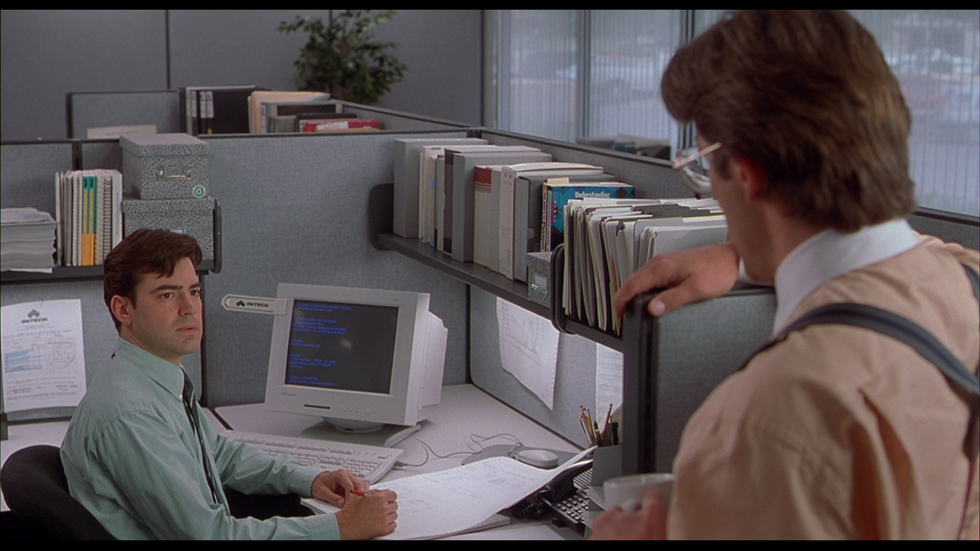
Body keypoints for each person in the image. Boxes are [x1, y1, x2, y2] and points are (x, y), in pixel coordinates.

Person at [593, 10, 979, 539]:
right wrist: (744, 257)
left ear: (746, 173)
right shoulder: (964, 283)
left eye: (703, 163)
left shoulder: (761, 422)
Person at [60, 228, 398, 539]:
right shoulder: (131, 414)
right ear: (123, 309)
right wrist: (340, 527)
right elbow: (211, 535)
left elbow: (217, 453)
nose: (190, 308)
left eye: (194, 291)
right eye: (167, 295)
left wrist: (309, 478)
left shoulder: (150, 379)